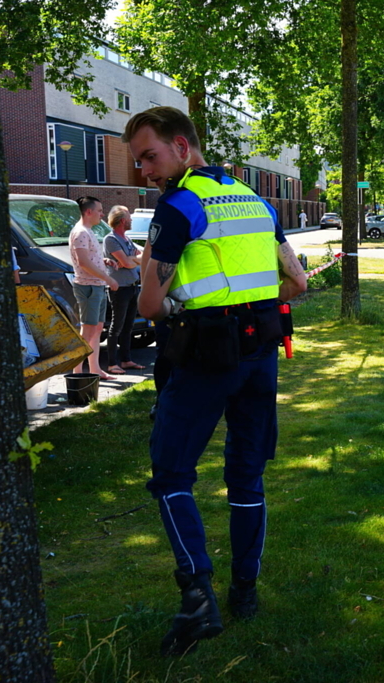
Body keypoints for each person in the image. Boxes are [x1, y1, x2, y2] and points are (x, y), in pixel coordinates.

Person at [122, 106, 308, 656]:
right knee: (247, 475)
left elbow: (152, 305)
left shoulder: (178, 206)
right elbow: (295, 282)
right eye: (138, 162)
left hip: (203, 357)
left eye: (150, 157)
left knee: (172, 474)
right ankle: (244, 592)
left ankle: (197, 596)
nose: (145, 172)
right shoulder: (257, 200)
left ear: (183, 147)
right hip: (258, 354)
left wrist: (163, 265)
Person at [69, 196, 119, 379]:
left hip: (96, 286)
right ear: (88, 212)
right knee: (88, 330)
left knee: (96, 329)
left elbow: (88, 259)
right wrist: (108, 278)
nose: (102, 214)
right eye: (99, 210)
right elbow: (83, 262)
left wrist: (103, 261)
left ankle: (95, 369)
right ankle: (77, 373)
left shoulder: (88, 231)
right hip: (88, 287)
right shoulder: (81, 232)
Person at [103, 206, 145, 375]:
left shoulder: (127, 239)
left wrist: (131, 259)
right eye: (129, 217)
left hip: (133, 286)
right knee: (117, 326)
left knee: (129, 326)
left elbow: (142, 257)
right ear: (122, 221)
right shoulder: (111, 239)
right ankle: (112, 363)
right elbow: (128, 263)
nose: (131, 220)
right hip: (119, 289)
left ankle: (126, 360)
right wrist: (132, 260)